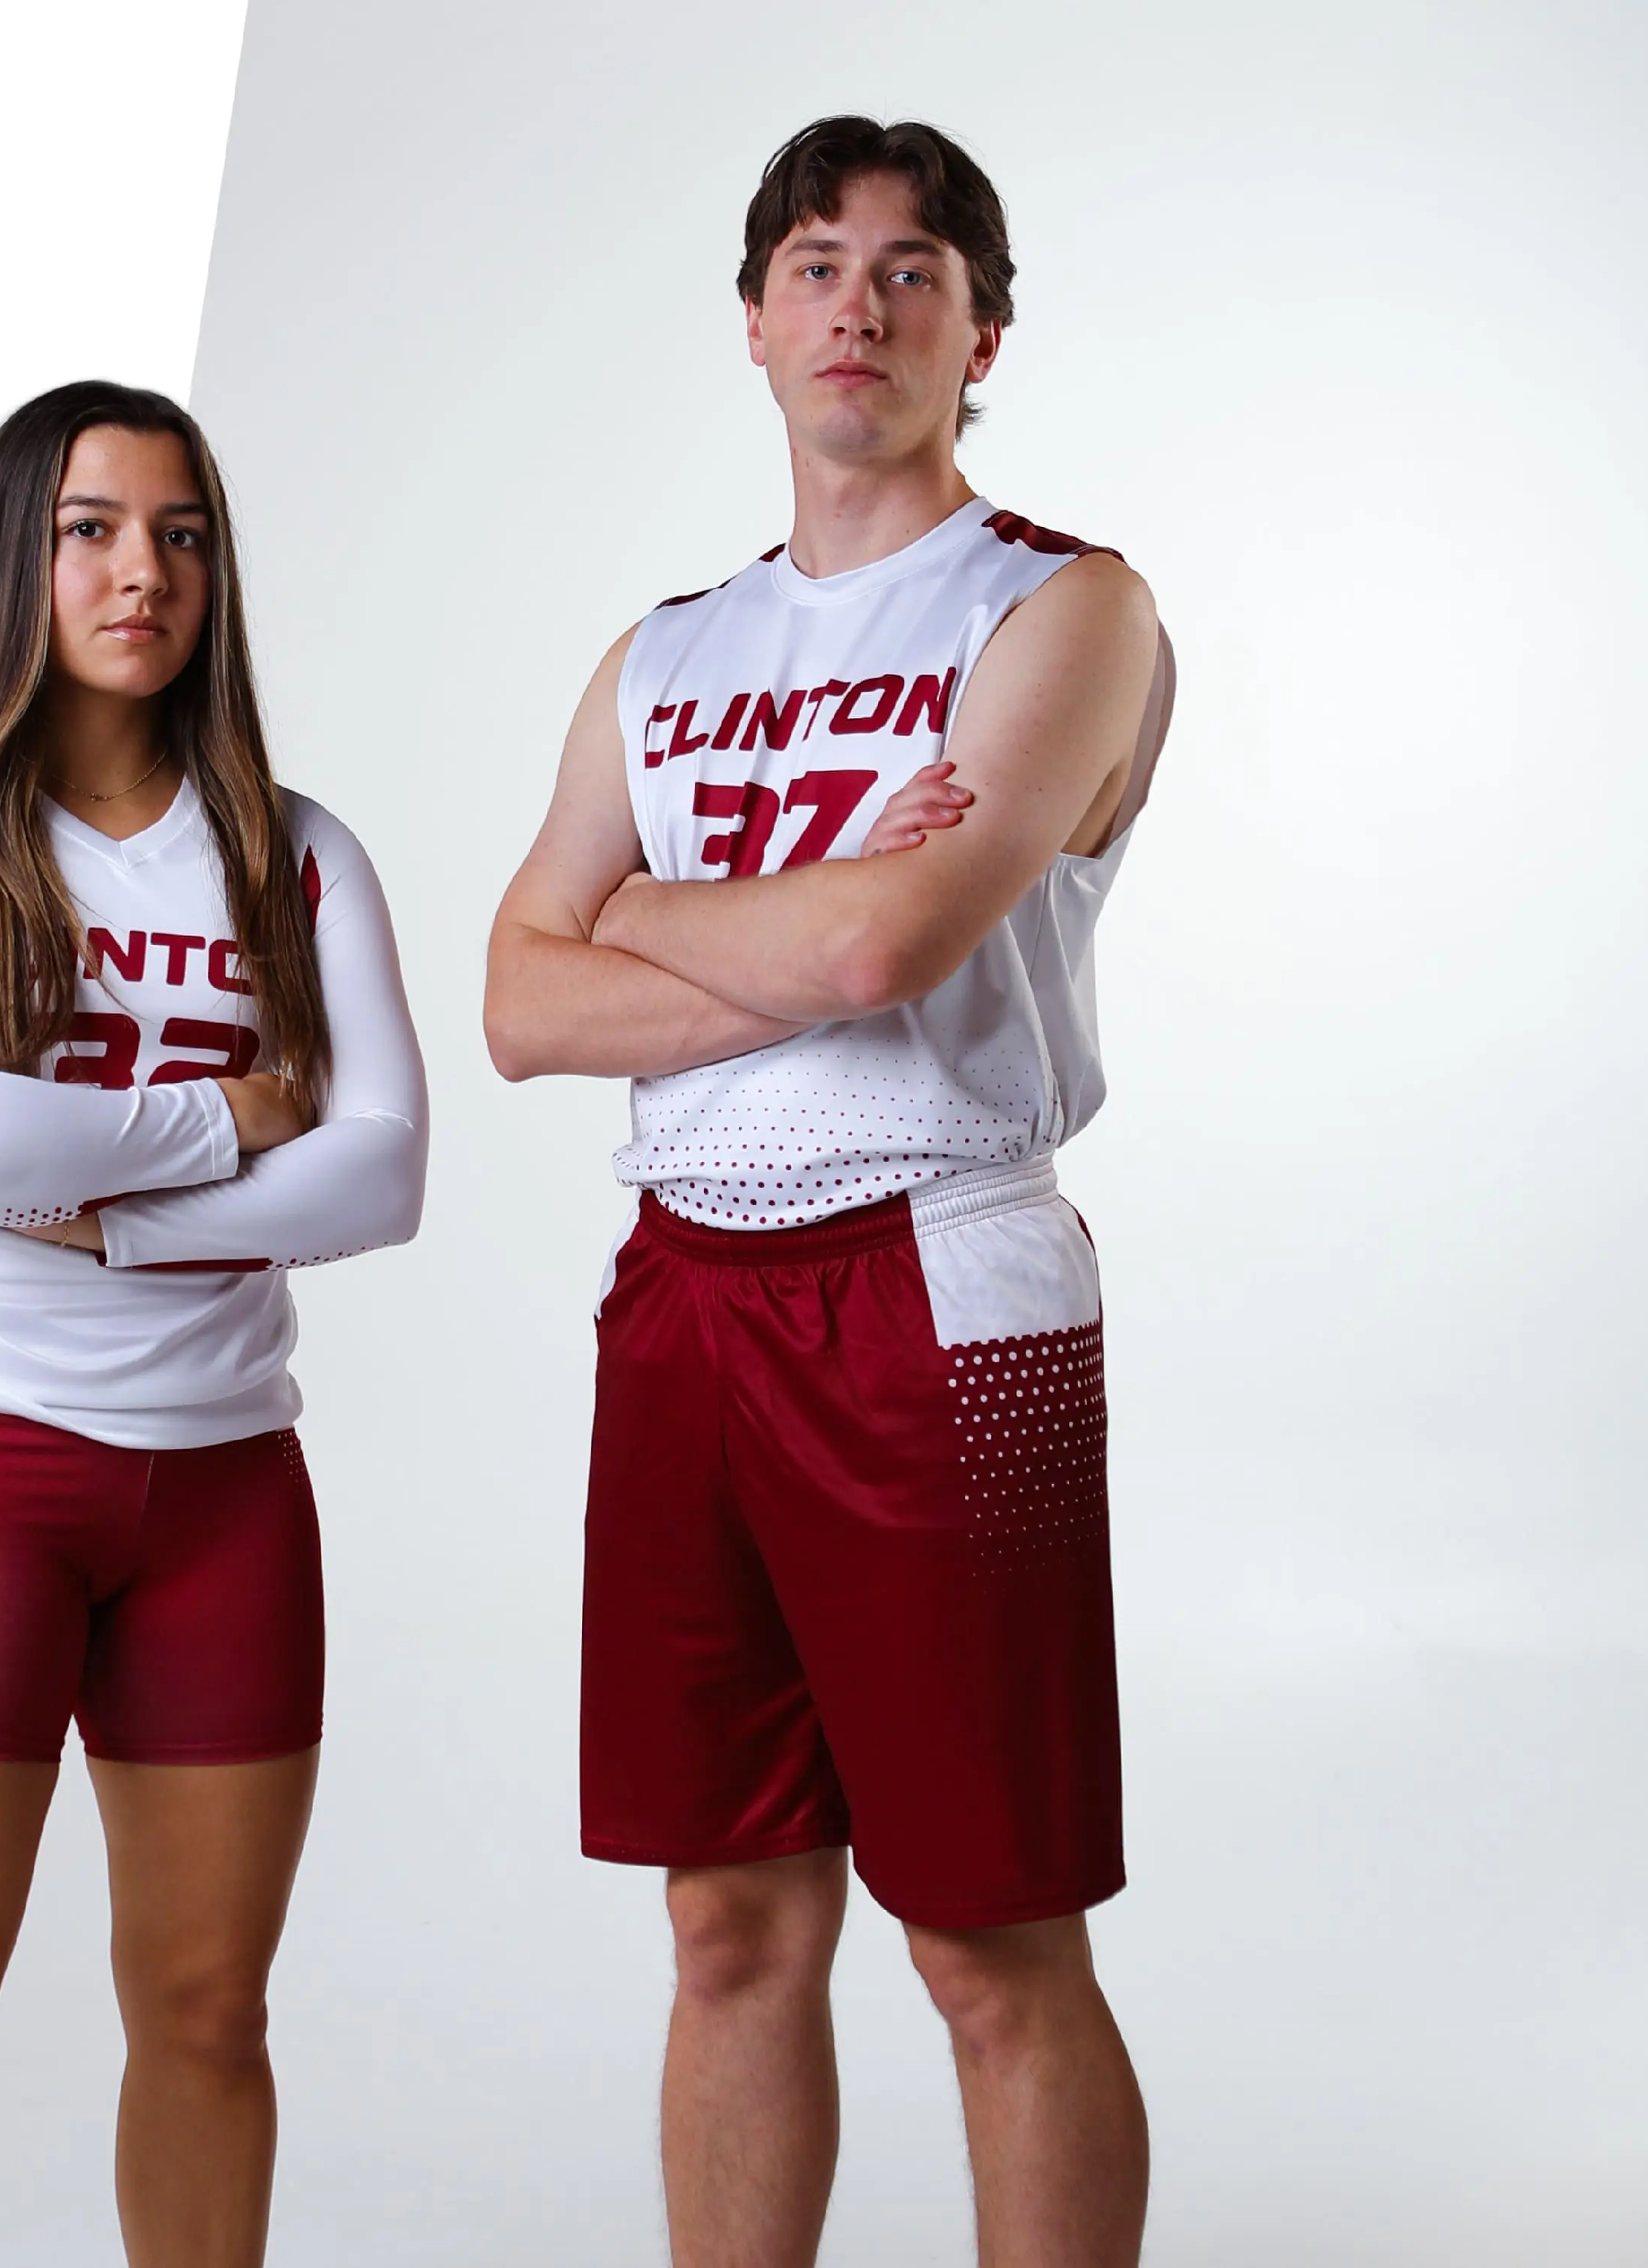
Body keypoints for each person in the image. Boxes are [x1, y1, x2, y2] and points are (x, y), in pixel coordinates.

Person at [484, 117, 1177, 2268]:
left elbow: (891, 955)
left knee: (983, 1943)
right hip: (680, 1296)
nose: (854, 306)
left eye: (905, 270)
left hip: (936, 1283)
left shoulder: (1062, 607)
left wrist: (657, 907)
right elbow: (515, 995)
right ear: (752, 322)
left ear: (980, 331)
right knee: (721, 1923)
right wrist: (785, 915)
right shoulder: (662, 656)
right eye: (810, 264)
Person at [0, 380, 428, 2266]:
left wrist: (109, 1225)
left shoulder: (295, 852)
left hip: (224, 1486)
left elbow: (385, 1170)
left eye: (177, 531)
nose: (137, 569)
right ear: (16, 553)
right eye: (88, 527)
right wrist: (226, 1122)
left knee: (210, 2018)